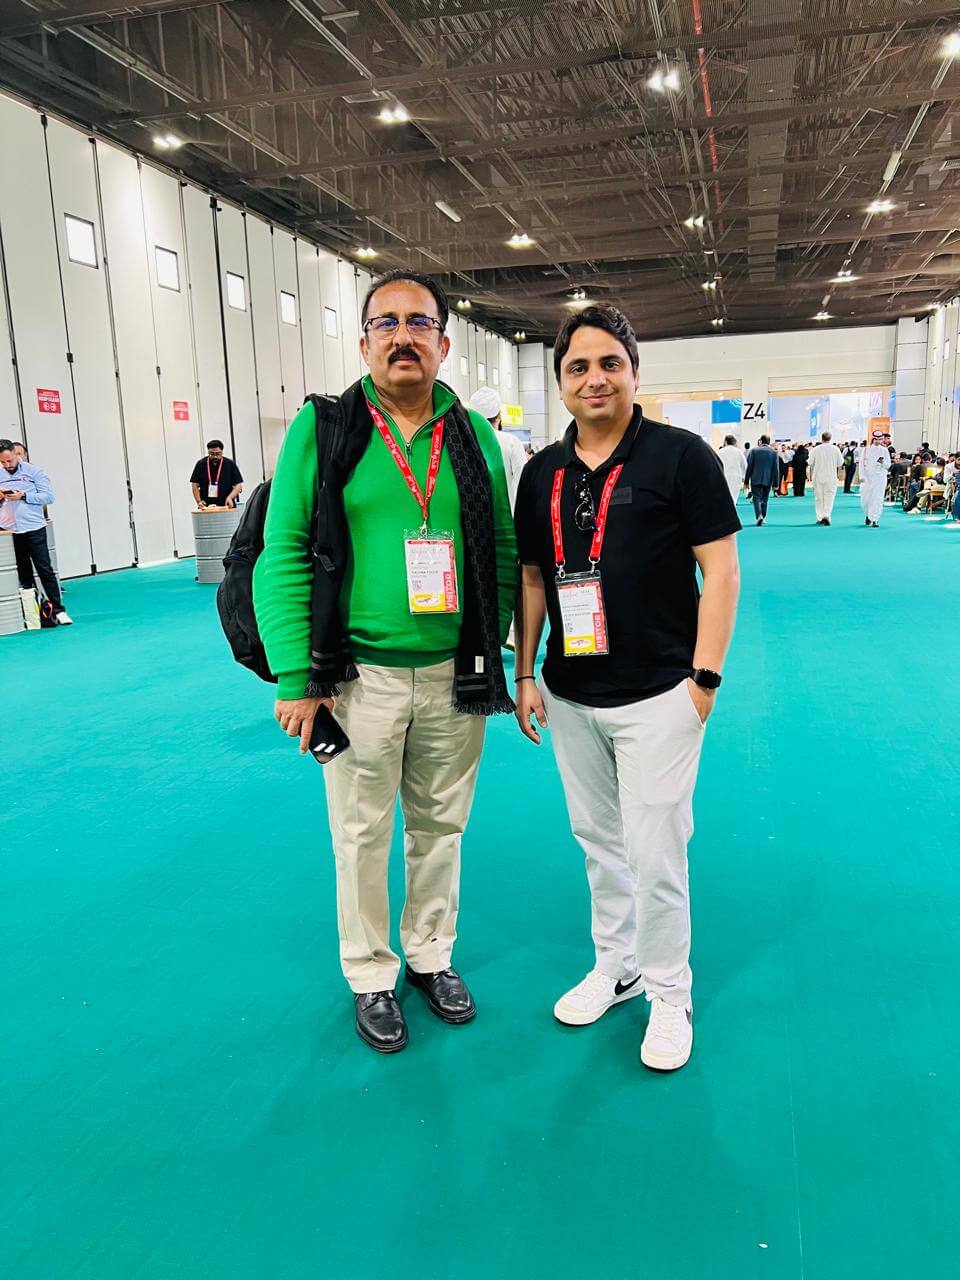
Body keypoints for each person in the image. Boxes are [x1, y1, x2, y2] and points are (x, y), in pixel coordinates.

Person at [253, 269, 517, 1054]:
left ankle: (431, 954)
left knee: (440, 827)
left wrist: (492, 643)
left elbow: (501, 548)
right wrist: (297, 675)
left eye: (419, 323)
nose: (403, 337)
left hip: (454, 675)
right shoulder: (327, 426)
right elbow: (282, 549)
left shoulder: (473, 434)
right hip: (355, 677)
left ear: (444, 342)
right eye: (386, 323)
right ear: (365, 339)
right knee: (361, 834)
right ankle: (370, 972)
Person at [512, 304, 741, 1072]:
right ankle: (618, 967)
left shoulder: (681, 458)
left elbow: (721, 571)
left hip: (661, 694)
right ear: (560, 383)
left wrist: (703, 679)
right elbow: (534, 577)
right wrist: (525, 671)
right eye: (578, 367)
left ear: (634, 373)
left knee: (655, 852)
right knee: (599, 844)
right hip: (571, 693)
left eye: (610, 362)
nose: (595, 378)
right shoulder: (541, 472)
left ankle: (670, 992)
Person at [0, 439, 71, 624]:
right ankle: (31, 613)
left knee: (44, 568)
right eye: (2, 462)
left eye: (9, 460)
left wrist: (23, 495)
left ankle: (58, 610)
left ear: (16, 454)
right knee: (22, 573)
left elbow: (48, 497)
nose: (7, 465)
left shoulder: (35, 472)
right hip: (10, 530)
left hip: (33, 527)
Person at [469, 386, 526, 510]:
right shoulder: (511, 442)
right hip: (507, 516)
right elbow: (524, 483)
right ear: (499, 415)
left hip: (473, 517)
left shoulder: (465, 442)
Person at [190, 440, 243, 509]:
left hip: (226, 504)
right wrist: (199, 501)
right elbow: (194, 485)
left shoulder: (230, 464)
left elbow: (238, 485)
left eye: (218, 454)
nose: (215, 456)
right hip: (206, 505)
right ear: (208, 452)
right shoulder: (201, 464)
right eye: (212, 454)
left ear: (222, 452)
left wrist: (230, 497)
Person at [808, 431, 843, 525]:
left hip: (818, 476)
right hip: (831, 476)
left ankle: (820, 517)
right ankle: (826, 515)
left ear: (822, 438)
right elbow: (840, 463)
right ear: (830, 438)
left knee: (819, 497)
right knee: (829, 497)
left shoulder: (815, 449)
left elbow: (810, 462)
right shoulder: (836, 449)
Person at [744, 434, 780, 525]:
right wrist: (776, 484)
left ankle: (759, 515)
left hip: (755, 478)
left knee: (756, 498)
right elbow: (776, 469)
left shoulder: (754, 451)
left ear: (761, 441)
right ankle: (763, 517)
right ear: (769, 442)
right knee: (765, 499)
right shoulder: (774, 452)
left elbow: (749, 467)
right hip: (768, 479)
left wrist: (746, 481)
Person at [860, 430, 891, 526]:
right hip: (867, 478)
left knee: (877, 498)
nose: (878, 441)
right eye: (876, 439)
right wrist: (861, 476)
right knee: (866, 499)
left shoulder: (884, 450)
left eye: (879, 439)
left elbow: (888, 465)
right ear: (873, 439)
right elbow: (861, 464)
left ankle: (875, 519)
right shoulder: (866, 450)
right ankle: (868, 515)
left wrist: (882, 462)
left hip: (880, 478)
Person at [717, 433, 746, 505]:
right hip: (736, 477)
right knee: (733, 499)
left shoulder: (720, 452)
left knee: (724, 499)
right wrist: (745, 478)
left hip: (723, 477)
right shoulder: (739, 452)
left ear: (725, 442)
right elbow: (744, 466)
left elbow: (716, 465)